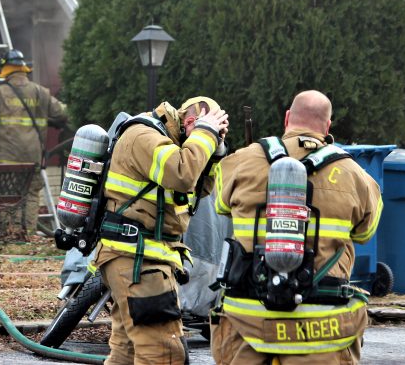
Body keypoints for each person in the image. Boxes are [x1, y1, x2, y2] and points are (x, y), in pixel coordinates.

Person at [210, 90, 382, 364]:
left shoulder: (241, 161)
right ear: (328, 126)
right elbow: (365, 233)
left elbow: (220, 205)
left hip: (247, 316)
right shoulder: (357, 176)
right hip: (321, 323)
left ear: (288, 117)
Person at [90, 96, 229, 364]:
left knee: (126, 354)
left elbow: (197, 190)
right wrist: (205, 136)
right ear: (190, 122)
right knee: (164, 355)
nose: (210, 141)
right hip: (138, 262)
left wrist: (216, 149)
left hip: (137, 261)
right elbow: (181, 174)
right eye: (209, 131)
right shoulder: (144, 135)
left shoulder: (172, 142)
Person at [0, 48, 68, 235]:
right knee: (32, 194)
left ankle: (12, 234)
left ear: (5, 70)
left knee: (10, 196)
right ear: (23, 68)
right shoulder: (40, 92)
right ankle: (30, 234)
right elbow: (63, 113)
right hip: (33, 156)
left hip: (7, 157)